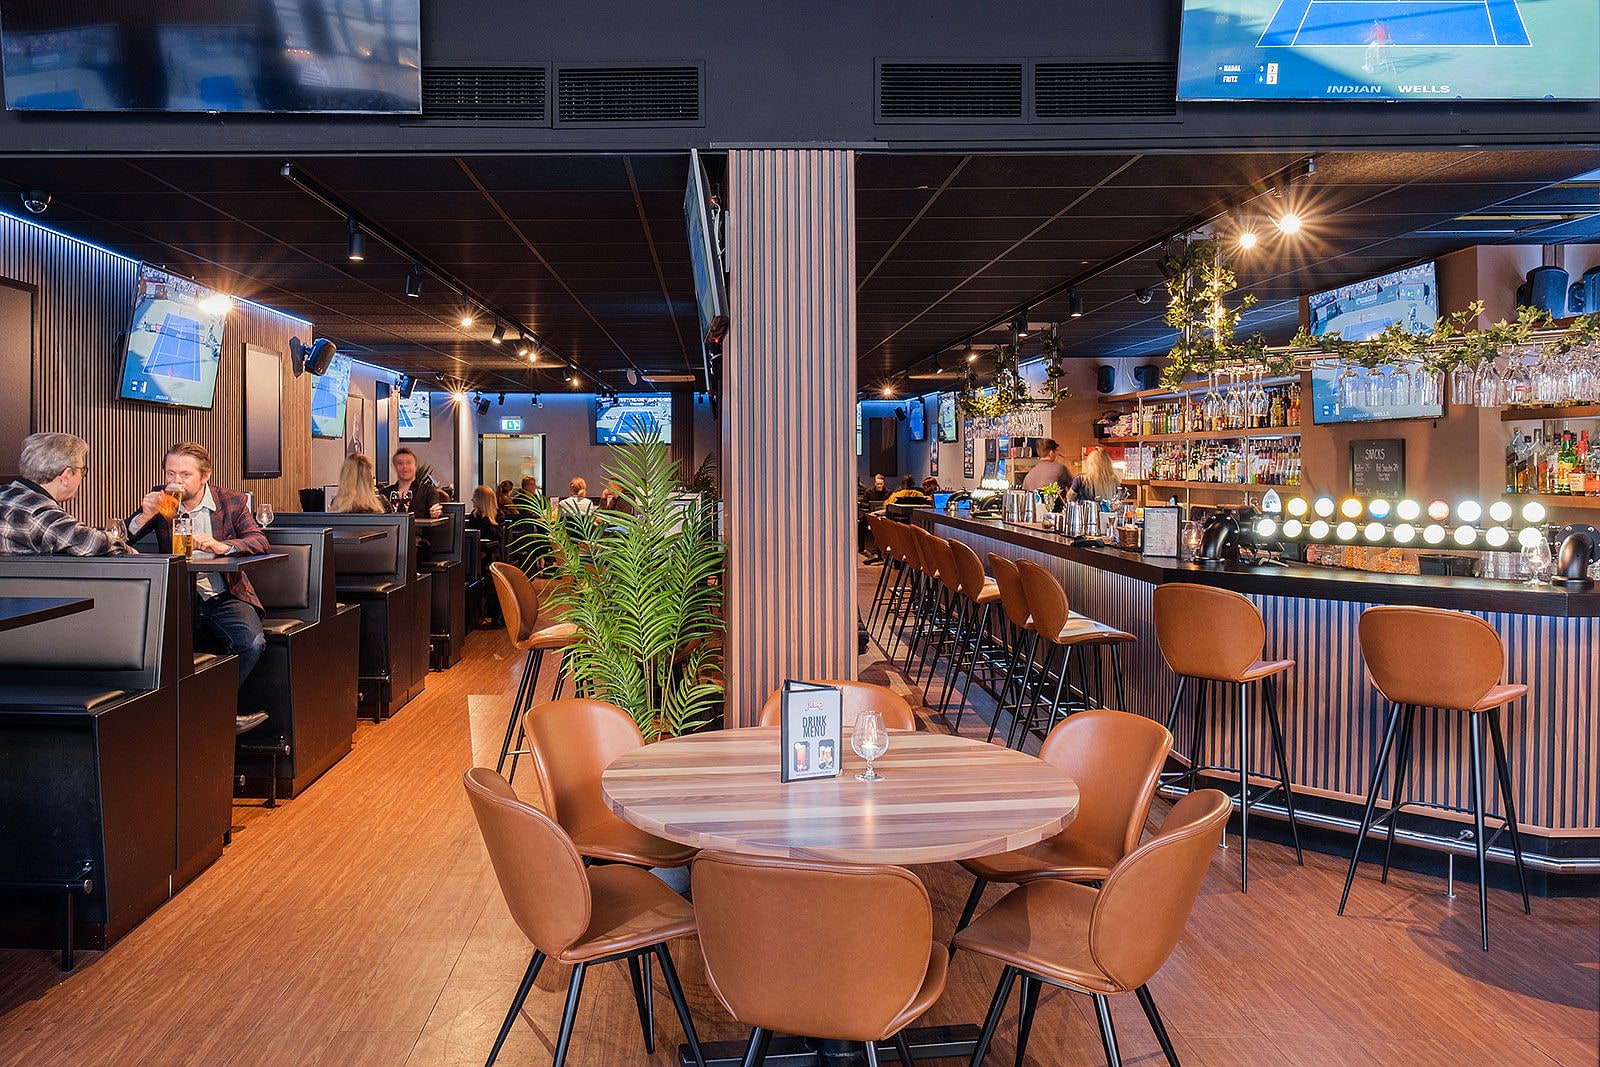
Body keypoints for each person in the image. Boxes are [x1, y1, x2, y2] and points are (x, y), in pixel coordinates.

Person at [127, 441, 269, 733]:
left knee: (251, 643)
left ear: (205, 476)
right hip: (175, 596)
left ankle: (208, 713)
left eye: (184, 475)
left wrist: (224, 546)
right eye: (170, 474)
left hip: (222, 594)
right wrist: (143, 515)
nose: (175, 482)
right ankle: (199, 720)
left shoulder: (231, 501)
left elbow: (258, 540)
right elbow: (122, 540)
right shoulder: (163, 500)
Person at [0, 432, 133, 556]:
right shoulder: (34, 511)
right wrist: (126, 549)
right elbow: (89, 542)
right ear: (66, 475)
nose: (82, 477)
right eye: (82, 470)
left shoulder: (6, 494)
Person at [379, 447, 443, 520]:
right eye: (400, 463)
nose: (404, 467)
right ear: (394, 467)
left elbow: (436, 509)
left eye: (409, 463)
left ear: (415, 466)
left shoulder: (428, 490)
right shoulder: (384, 493)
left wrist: (436, 512)